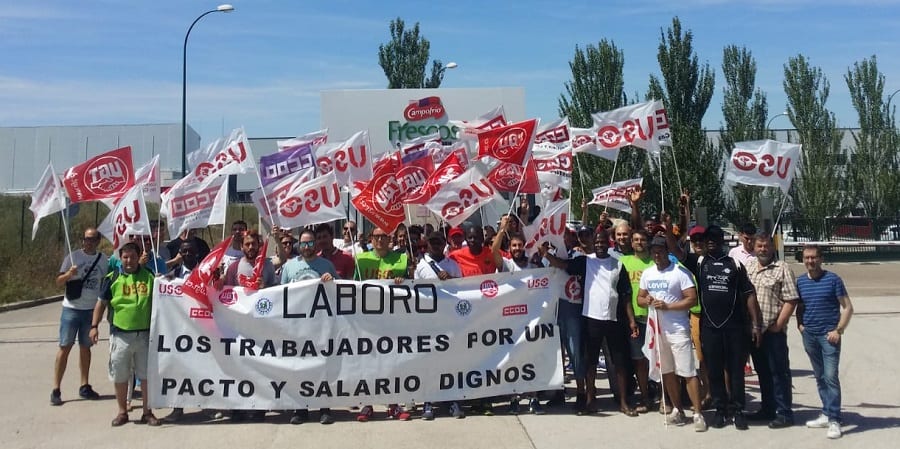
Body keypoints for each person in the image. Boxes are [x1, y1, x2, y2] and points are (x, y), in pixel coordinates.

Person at [543, 228, 636, 417]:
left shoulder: (617, 265)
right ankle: (590, 399)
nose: (600, 245)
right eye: (598, 242)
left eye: (603, 242)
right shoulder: (586, 262)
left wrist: (632, 321)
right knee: (590, 363)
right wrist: (545, 255)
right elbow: (562, 264)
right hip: (591, 319)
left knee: (619, 363)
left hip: (614, 320)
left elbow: (626, 296)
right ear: (594, 243)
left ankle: (624, 402)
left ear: (608, 244)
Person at [637, 236, 707, 432]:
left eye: (660, 250)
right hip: (657, 330)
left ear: (667, 251)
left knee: (687, 371)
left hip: (678, 329)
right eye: (653, 251)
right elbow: (639, 298)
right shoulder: (648, 273)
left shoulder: (680, 272)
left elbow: (692, 299)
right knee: (666, 371)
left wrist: (669, 306)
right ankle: (677, 409)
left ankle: (697, 413)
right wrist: (648, 300)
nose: (656, 254)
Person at [697, 225, 761, 430]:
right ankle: (720, 409)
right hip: (709, 326)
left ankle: (738, 409)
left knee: (735, 371)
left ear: (722, 240)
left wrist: (755, 324)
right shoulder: (699, 263)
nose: (711, 241)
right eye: (708, 238)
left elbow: (749, 293)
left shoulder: (734, 263)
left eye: (715, 238)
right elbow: (676, 250)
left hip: (734, 327)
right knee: (714, 370)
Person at [89, 243, 160, 427]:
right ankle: (122, 412)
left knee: (146, 376)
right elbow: (101, 303)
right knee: (120, 376)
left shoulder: (150, 276)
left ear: (139, 257)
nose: (129, 261)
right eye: (125, 257)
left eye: (133, 257)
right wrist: (94, 326)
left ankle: (147, 411)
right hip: (120, 335)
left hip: (145, 336)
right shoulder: (112, 278)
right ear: (120, 258)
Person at [354, 227, 411, 422]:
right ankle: (367, 404)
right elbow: (352, 287)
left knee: (391, 363)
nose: (380, 240)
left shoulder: (401, 259)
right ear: (371, 239)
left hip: (392, 320)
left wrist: (403, 281)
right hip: (367, 321)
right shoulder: (360, 259)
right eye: (376, 236)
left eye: (383, 236)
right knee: (367, 363)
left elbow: (411, 287)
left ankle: (393, 405)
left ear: (390, 239)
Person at [796, 245, 853, 439]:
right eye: (806, 258)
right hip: (809, 335)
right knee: (819, 376)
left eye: (813, 257)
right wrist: (800, 325)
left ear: (820, 258)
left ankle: (835, 419)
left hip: (829, 336)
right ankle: (827, 412)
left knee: (830, 376)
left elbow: (847, 307)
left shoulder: (833, 280)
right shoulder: (801, 282)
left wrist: (839, 330)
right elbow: (800, 306)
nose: (810, 261)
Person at [281, 229, 337, 425]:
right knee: (299, 368)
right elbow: (281, 296)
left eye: (310, 243)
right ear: (299, 245)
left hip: (321, 325)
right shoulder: (289, 267)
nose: (306, 247)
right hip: (297, 327)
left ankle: (324, 408)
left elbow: (338, 295)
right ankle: (300, 409)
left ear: (316, 244)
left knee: (323, 367)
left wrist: (331, 282)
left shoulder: (326, 265)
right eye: (303, 244)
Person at [221, 229, 278, 422]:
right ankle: (238, 406)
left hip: (261, 326)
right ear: (242, 246)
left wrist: (265, 288)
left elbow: (279, 294)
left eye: (254, 244)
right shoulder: (234, 267)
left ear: (259, 245)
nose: (251, 247)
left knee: (259, 367)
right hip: (239, 328)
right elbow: (225, 294)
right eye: (247, 244)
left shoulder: (268, 266)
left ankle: (259, 406)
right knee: (239, 367)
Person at [746, 233, 800, 429]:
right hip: (754, 330)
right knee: (762, 372)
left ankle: (785, 412)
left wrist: (779, 324)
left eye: (766, 246)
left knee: (779, 372)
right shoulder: (749, 267)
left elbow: (791, 299)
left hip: (772, 331)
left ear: (772, 247)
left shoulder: (782, 268)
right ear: (753, 247)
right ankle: (767, 408)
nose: (762, 249)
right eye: (759, 246)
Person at [51, 227, 108, 406]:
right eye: (85, 239)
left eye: (92, 239)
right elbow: (58, 281)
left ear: (98, 241)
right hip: (71, 309)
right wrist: (69, 274)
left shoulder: (103, 260)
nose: (88, 242)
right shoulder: (73, 257)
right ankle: (56, 388)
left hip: (90, 310)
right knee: (65, 347)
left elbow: (106, 282)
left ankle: (84, 385)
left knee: (85, 348)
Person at [413, 231, 464, 420]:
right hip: (428, 322)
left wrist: (450, 279)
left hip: (449, 321)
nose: (435, 245)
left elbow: (463, 291)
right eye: (432, 242)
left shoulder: (453, 265)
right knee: (428, 362)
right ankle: (428, 400)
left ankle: (451, 400)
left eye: (438, 242)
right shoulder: (421, 266)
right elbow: (415, 293)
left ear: (445, 243)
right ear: (427, 244)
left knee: (449, 362)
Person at [161, 239, 202, 423]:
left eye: (190, 250)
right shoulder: (173, 275)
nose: (187, 254)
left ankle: (210, 404)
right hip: (180, 330)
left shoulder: (206, 273)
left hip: (203, 329)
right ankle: (178, 408)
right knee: (179, 370)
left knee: (206, 368)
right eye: (184, 251)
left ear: (196, 253)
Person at [618, 229, 655, 413]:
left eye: (642, 239)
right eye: (635, 240)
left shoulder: (657, 261)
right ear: (631, 243)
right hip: (634, 319)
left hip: (656, 317)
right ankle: (645, 396)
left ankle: (666, 397)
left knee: (659, 360)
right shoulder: (623, 262)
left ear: (648, 242)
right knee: (639, 360)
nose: (639, 242)